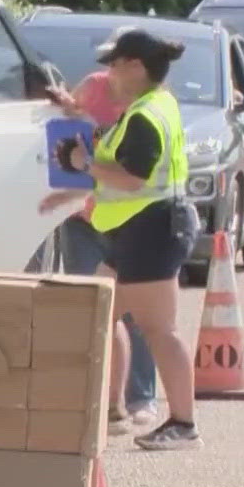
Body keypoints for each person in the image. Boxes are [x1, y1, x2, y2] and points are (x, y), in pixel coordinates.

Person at [42, 26, 202, 451]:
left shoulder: (146, 116)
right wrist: (72, 188)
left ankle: (183, 422)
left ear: (136, 66)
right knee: (99, 311)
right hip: (138, 230)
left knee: (159, 329)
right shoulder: (147, 107)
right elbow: (120, 175)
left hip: (153, 230)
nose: (107, 74)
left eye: (114, 65)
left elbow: (132, 179)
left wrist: (81, 164)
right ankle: (105, 408)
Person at [44, 54, 162, 434]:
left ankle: (140, 397)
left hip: (130, 220)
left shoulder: (149, 104)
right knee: (93, 311)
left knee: (135, 311)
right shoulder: (94, 87)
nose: (114, 72)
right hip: (83, 218)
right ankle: (98, 402)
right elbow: (68, 122)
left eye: (123, 64)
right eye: (111, 64)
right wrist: (65, 105)